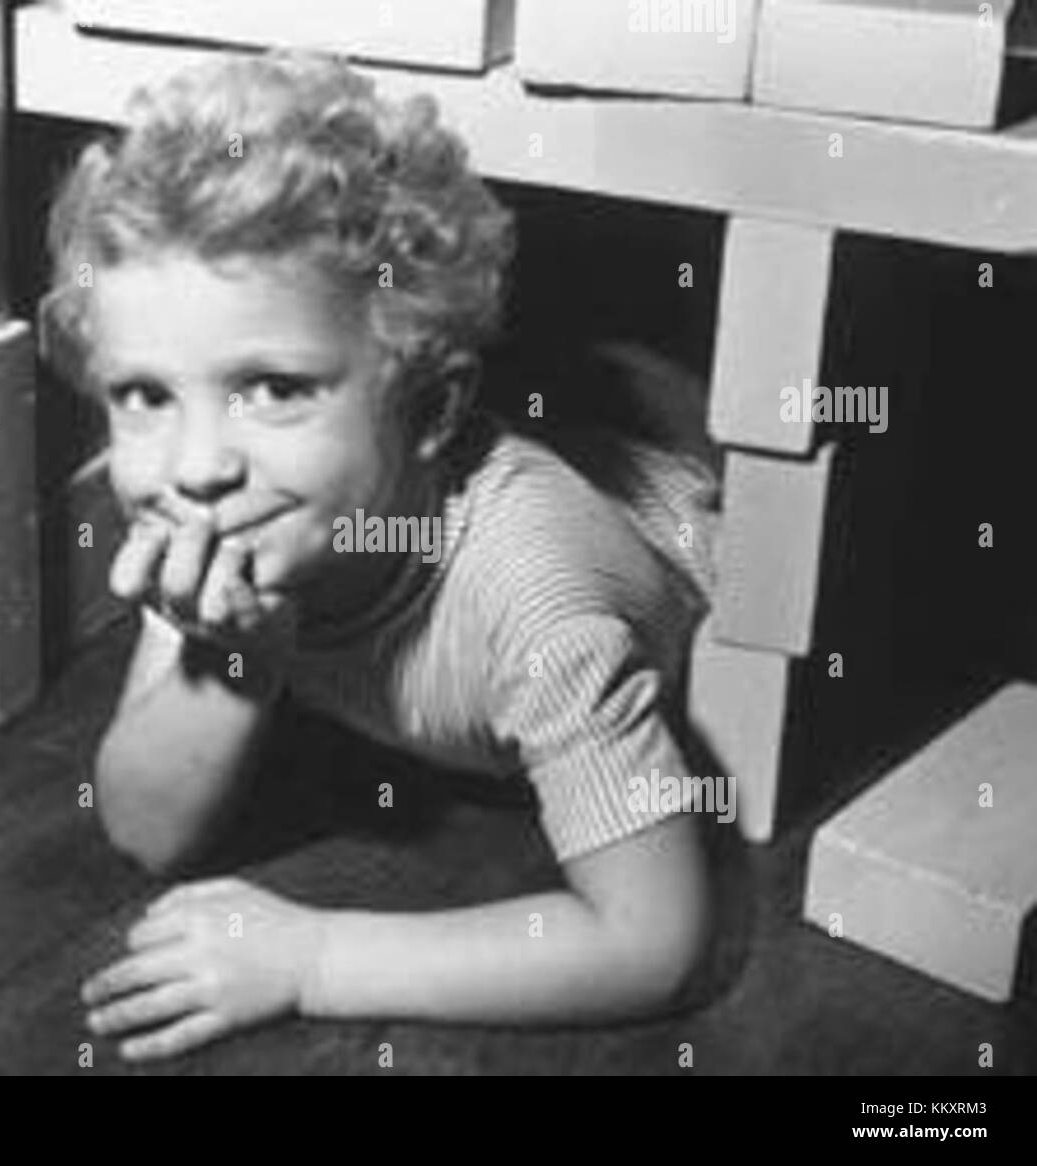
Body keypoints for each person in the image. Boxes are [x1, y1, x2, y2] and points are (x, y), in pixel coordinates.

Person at [44, 50, 722, 1061]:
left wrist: (315, 957)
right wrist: (239, 661)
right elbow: (145, 830)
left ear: (432, 406)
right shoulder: (228, 516)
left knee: (665, 392)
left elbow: (656, 940)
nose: (194, 463)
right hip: (485, 455)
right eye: (144, 393)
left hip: (682, 512)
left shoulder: (535, 598)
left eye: (273, 386)